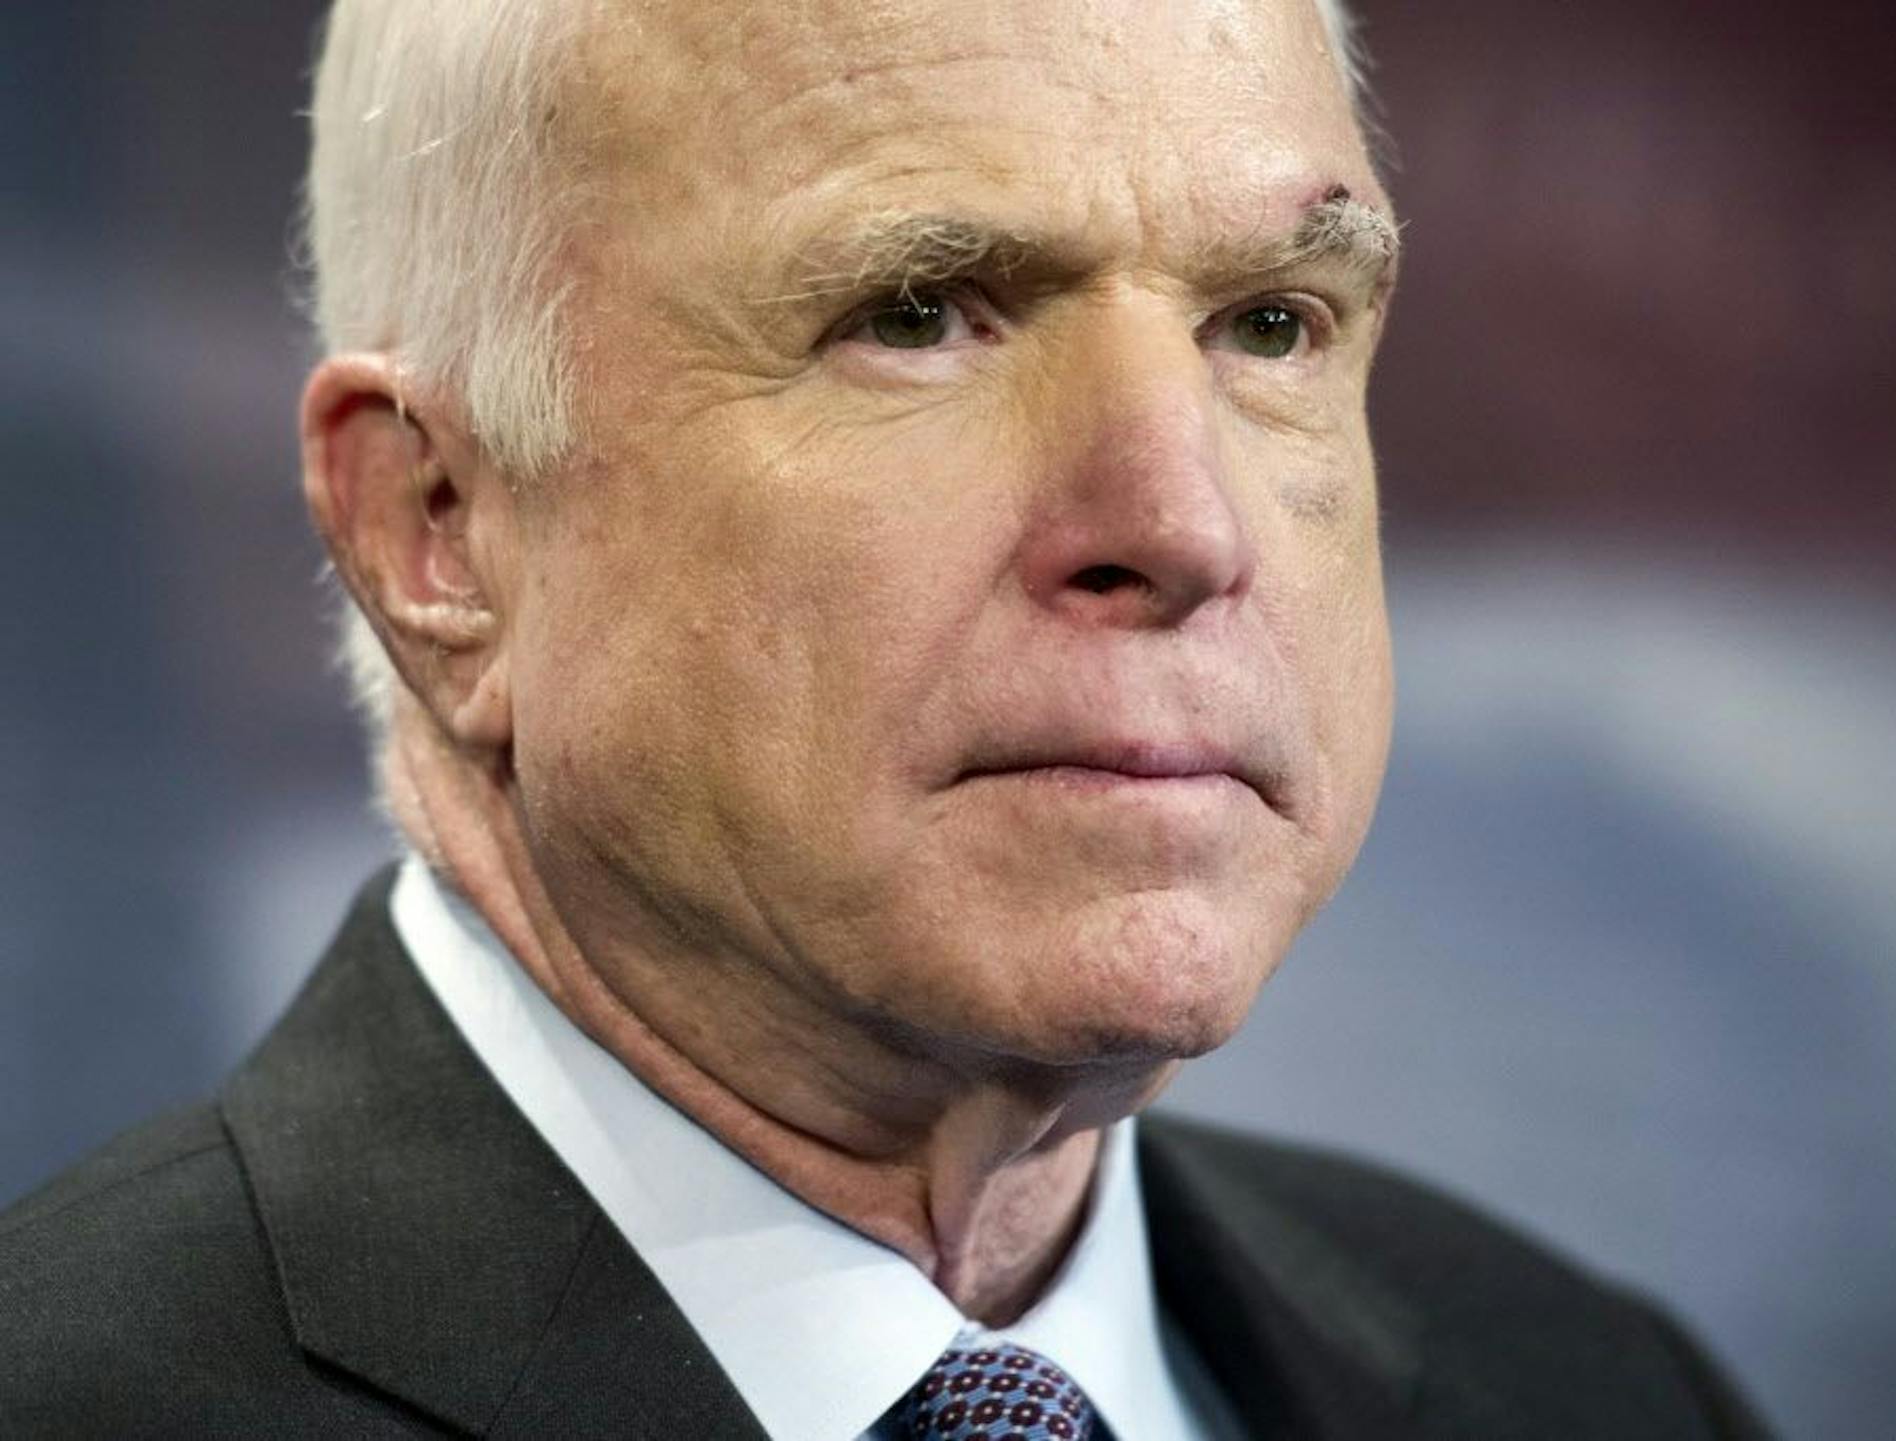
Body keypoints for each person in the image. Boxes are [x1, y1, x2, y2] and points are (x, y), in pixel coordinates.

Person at [0, 0, 1770, 1436]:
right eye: (919, 317)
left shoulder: (1598, 1391)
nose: (1183, 524)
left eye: (1271, 325)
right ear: (438, 527)